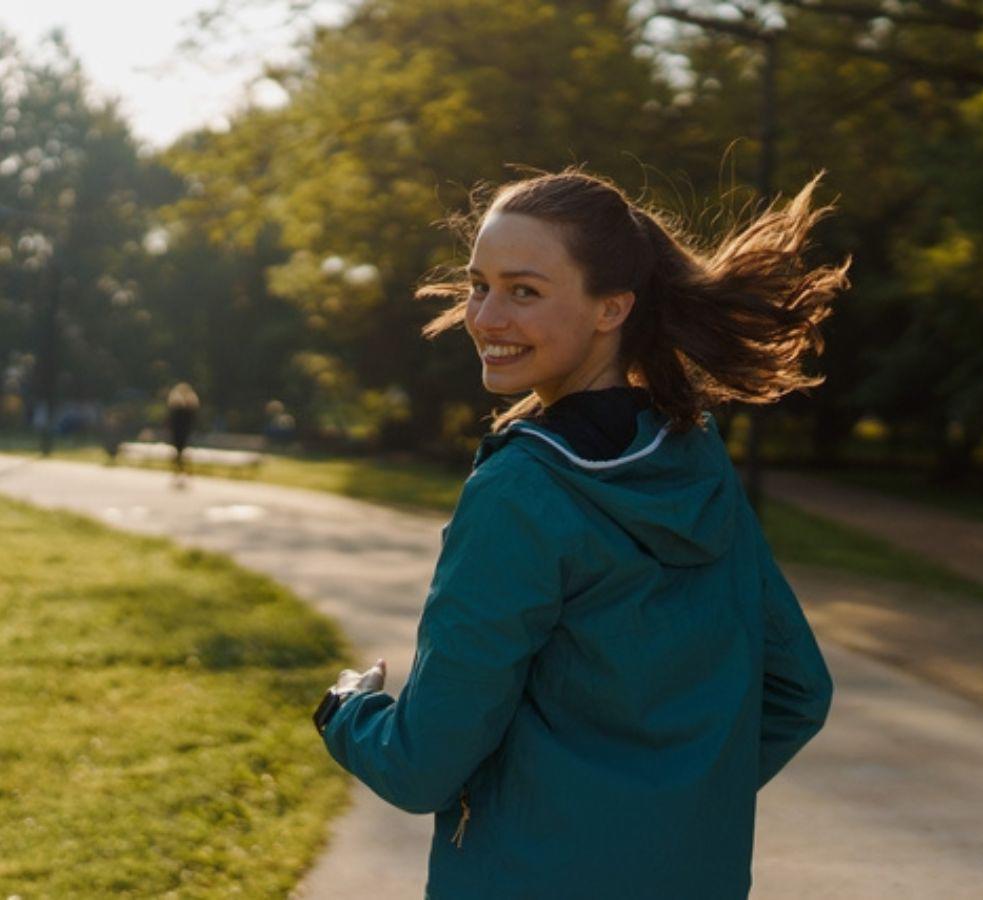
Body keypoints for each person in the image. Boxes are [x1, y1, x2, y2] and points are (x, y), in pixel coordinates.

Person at [315, 169, 850, 899]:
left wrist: (346, 711)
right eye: (479, 285)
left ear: (612, 309)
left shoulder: (518, 493)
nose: (485, 317)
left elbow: (422, 765)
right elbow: (797, 692)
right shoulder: (695, 458)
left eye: (524, 291)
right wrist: (658, 809)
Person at [166, 382, 199, 479]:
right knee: (179, 452)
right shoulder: (180, 406)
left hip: (182, 432)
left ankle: (181, 469)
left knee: (180, 452)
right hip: (181, 432)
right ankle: (181, 470)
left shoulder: (185, 406)